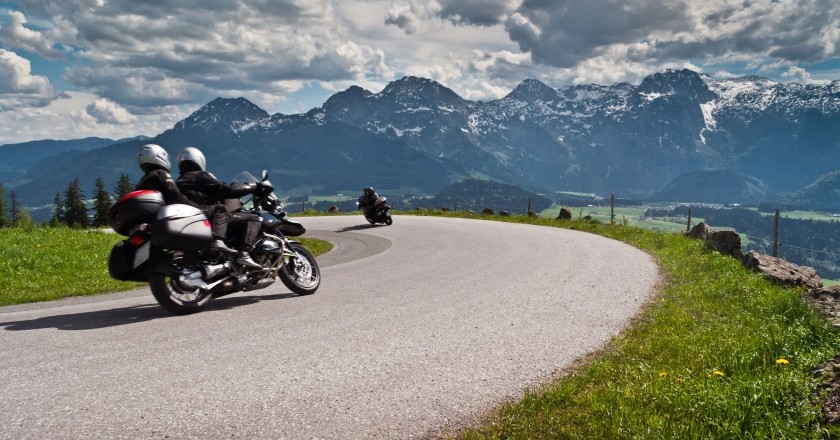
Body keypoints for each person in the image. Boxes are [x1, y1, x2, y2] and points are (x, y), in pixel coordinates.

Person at [135, 143, 238, 256]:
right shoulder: (161, 174)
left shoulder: (146, 179)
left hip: (155, 221)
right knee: (220, 208)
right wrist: (193, 209)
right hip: (179, 215)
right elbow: (175, 196)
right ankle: (219, 241)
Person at [175, 146, 262, 269]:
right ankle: (244, 254)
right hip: (207, 214)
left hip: (191, 219)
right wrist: (253, 187)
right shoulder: (201, 175)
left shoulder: (179, 181)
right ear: (199, 160)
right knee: (253, 218)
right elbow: (227, 191)